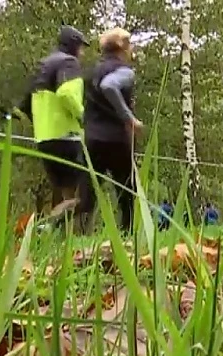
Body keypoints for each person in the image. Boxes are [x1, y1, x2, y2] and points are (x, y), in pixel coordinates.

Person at [78, 27, 144, 233]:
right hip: (117, 140)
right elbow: (109, 86)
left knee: (88, 192)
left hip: (92, 139)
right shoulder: (125, 71)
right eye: (130, 44)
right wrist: (130, 118)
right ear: (122, 47)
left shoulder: (90, 72)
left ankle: (76, 235)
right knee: (126, 191)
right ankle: (127, 234)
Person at [16, 25, 89, 210]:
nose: (82, 53)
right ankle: (54, 228)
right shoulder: (69, 63)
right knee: (86, 192)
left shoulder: (42, 66)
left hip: (45, 138)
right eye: (81, 47)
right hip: (67, 135)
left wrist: (11, 116)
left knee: (66, 192)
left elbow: (24, 105)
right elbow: (66, 94)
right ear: (73, 45)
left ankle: (64, 235)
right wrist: (84, 118)